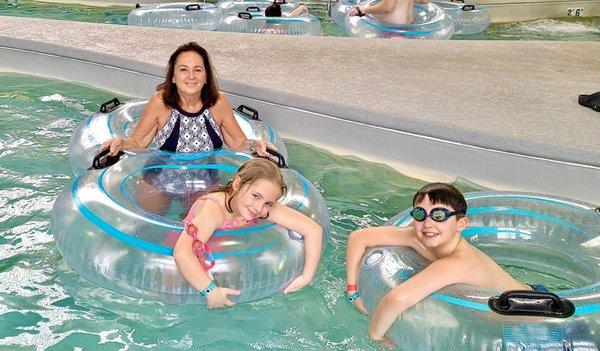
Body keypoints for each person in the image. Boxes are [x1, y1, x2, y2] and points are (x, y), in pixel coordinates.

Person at [345, 183, 538, 345]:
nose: (428, 224)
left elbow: (396, 299)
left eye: (439, 216)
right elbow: (358, 237)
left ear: (460, 224)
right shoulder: (418, 237)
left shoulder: (458, 263)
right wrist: (353, 292)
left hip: (534, 321)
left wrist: (374, 339)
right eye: (420, 214)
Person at [173, 157, 324, 308]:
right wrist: (210, 291)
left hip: (227, 257)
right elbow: (182, 252)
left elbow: (314, 230)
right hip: (187, 263)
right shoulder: (213, 210)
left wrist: (306, 277)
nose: (259, 208)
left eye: (268, 203)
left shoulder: (260, 207)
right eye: (256, 196)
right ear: (238, 184)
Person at [100, 41, 272, 157]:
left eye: (197, 70)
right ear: (173, 77)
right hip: (163, 172)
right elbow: (138, 141)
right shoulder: (160, 102)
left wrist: (255, 145)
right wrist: (121, 143)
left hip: (208, 173)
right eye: (183, 69)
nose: (191, 76)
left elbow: (238, 143)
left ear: (206, 77)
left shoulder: (218, 103)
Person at [348, 0, 429, 25]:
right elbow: (425, 0)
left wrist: (364, 10)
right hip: (409, 26)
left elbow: (387, 7)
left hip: (393, 30)